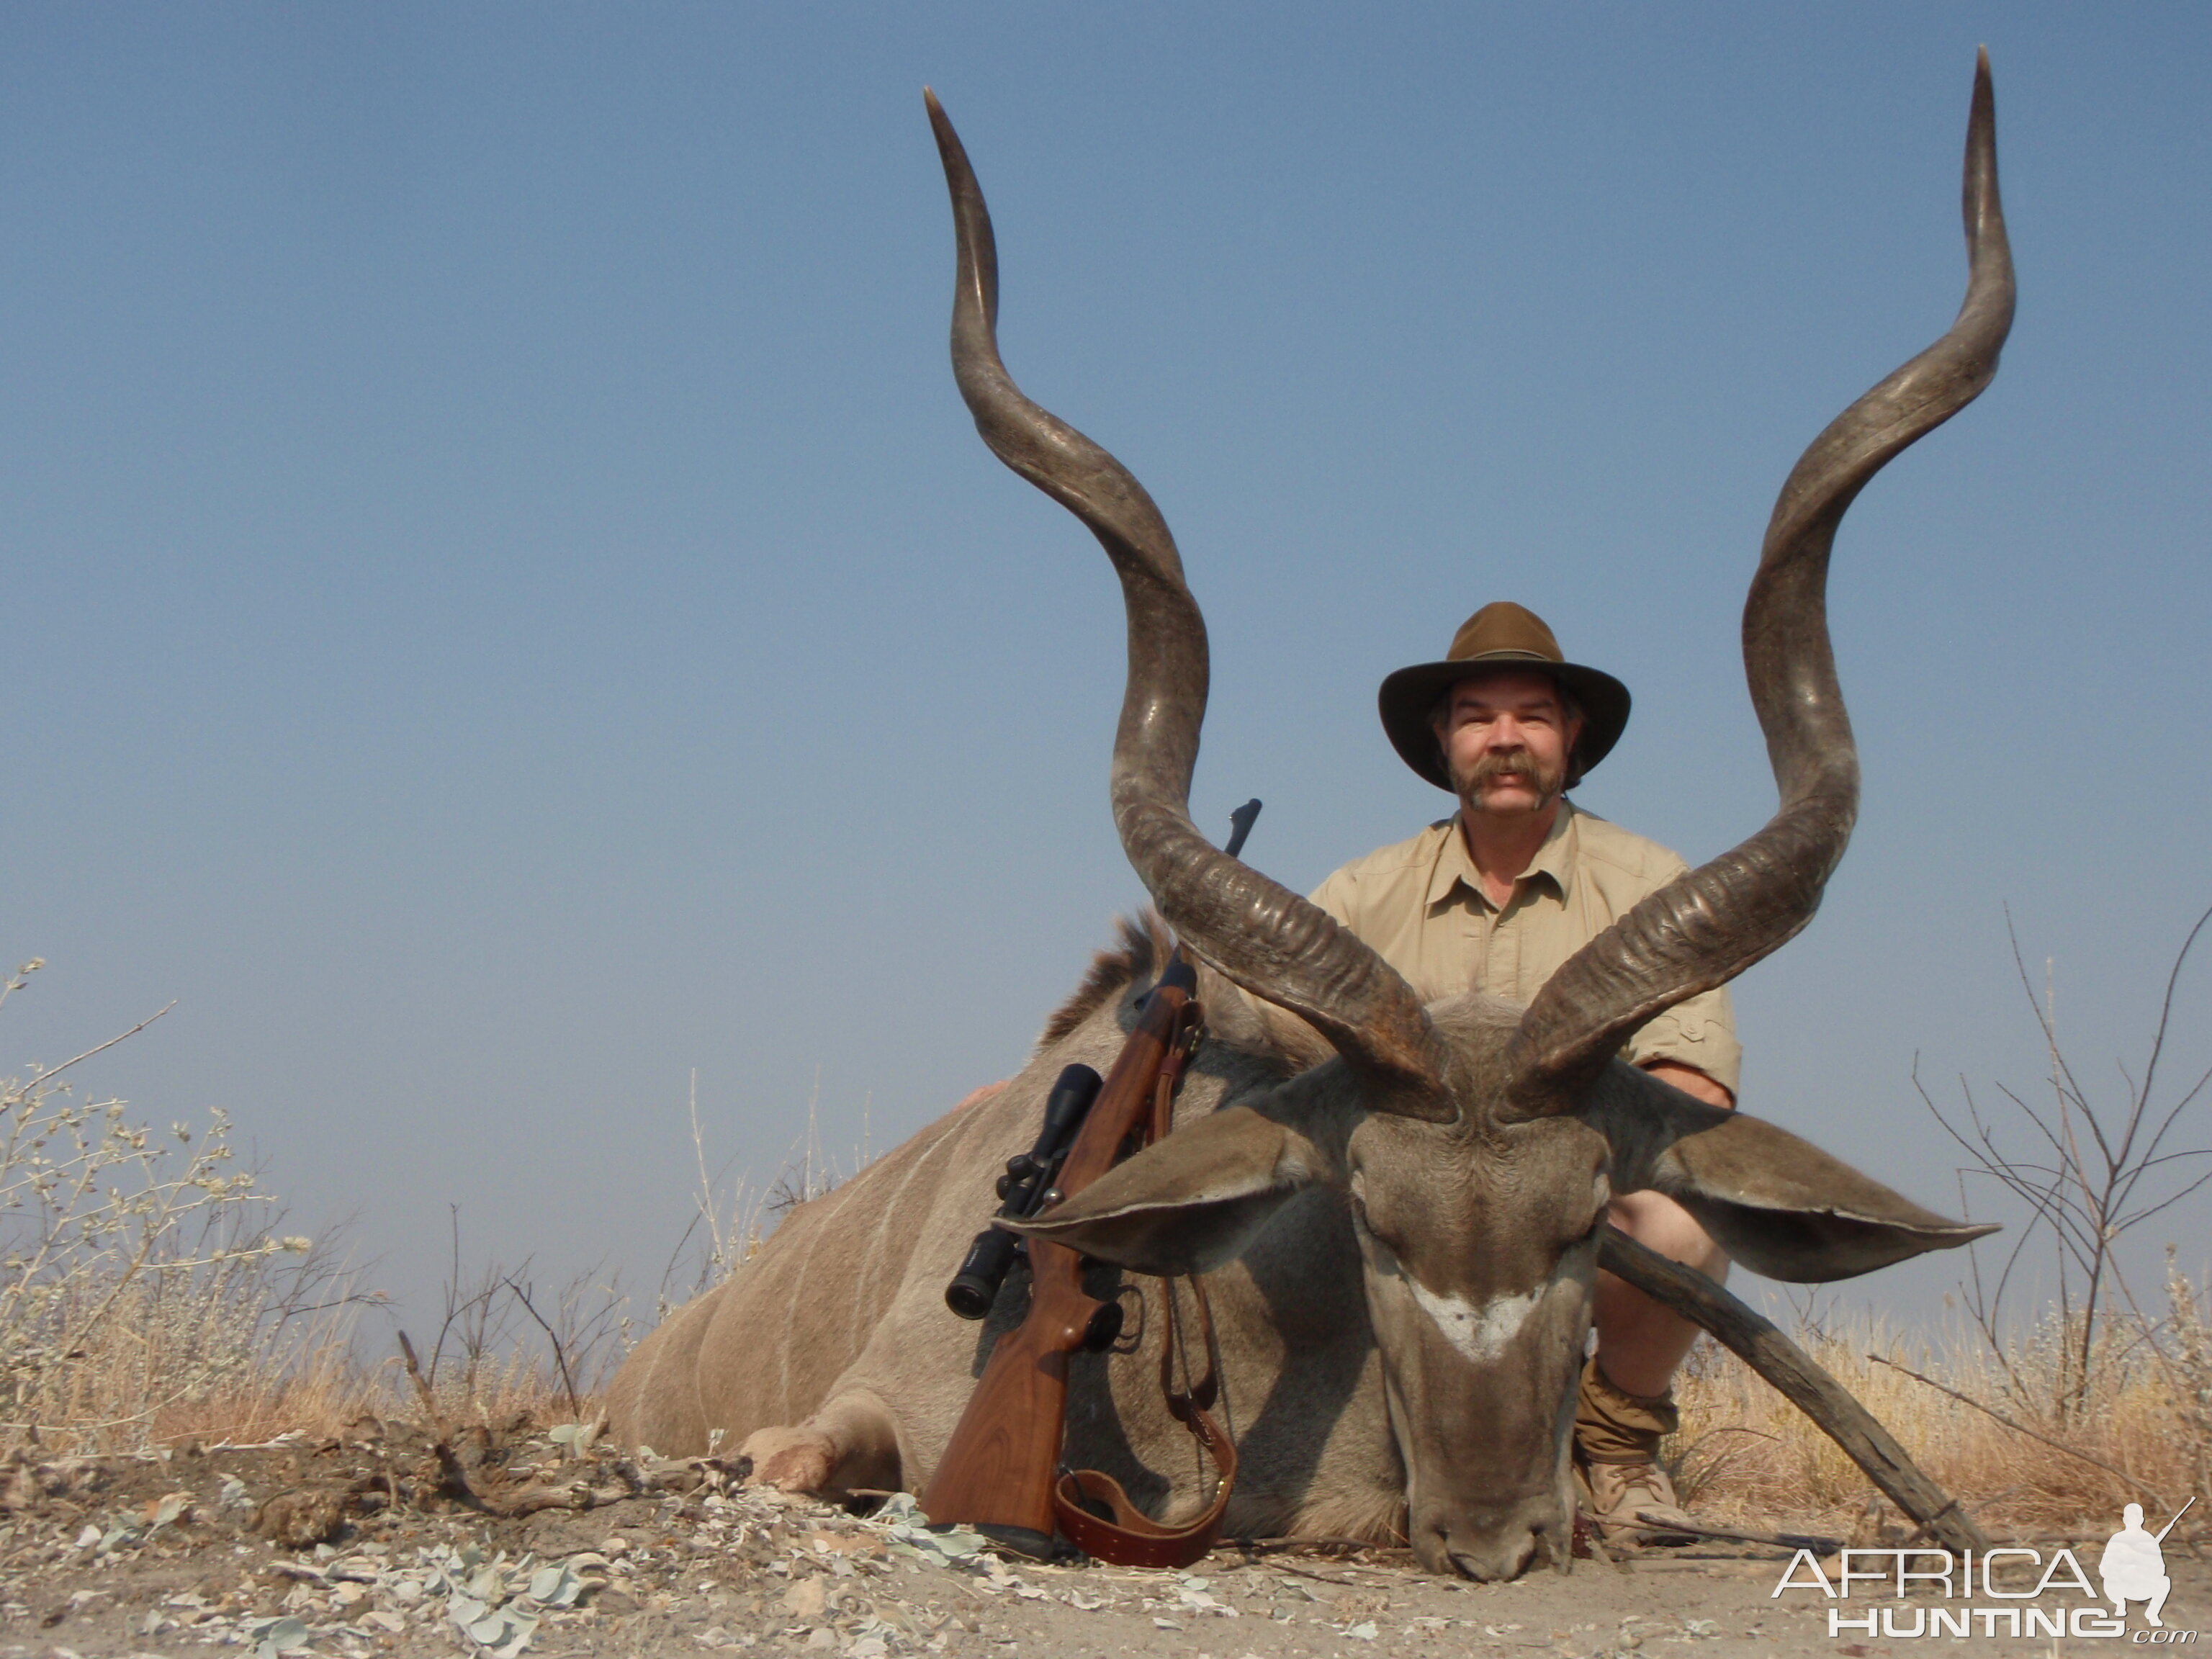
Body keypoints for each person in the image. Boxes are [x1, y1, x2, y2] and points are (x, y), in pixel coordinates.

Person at [1290, 601, 1740, 1539]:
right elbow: (1234, 1020)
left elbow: (1692, 1095)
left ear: (1571, 740)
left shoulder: (1652, 884)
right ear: (1442, 741)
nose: (1505, 739)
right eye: (1476, 717)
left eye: (1532, 716)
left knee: (1687, 1219)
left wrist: (1550, 1187)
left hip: (1565, 1223)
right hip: (1406, 1238)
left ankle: (1617, 1449)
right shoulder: (1361, 893)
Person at [2099, 1504, 2172, 1627]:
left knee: (2165, 1581)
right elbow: (2104, 1568)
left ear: (2142, 1520)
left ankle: (2152, 1613)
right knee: (2111, 1580)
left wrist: (2145, 1566)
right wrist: (2122, 1566)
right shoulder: (2117, 1539)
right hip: (2121, 1586)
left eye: (2137, 1518)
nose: (2133, 1522)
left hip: (2142, 1585)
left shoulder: (2148, 1539)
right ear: (2124, 1520)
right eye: (2130, 1519)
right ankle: (2120, 1604)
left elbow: (2160, 1568)